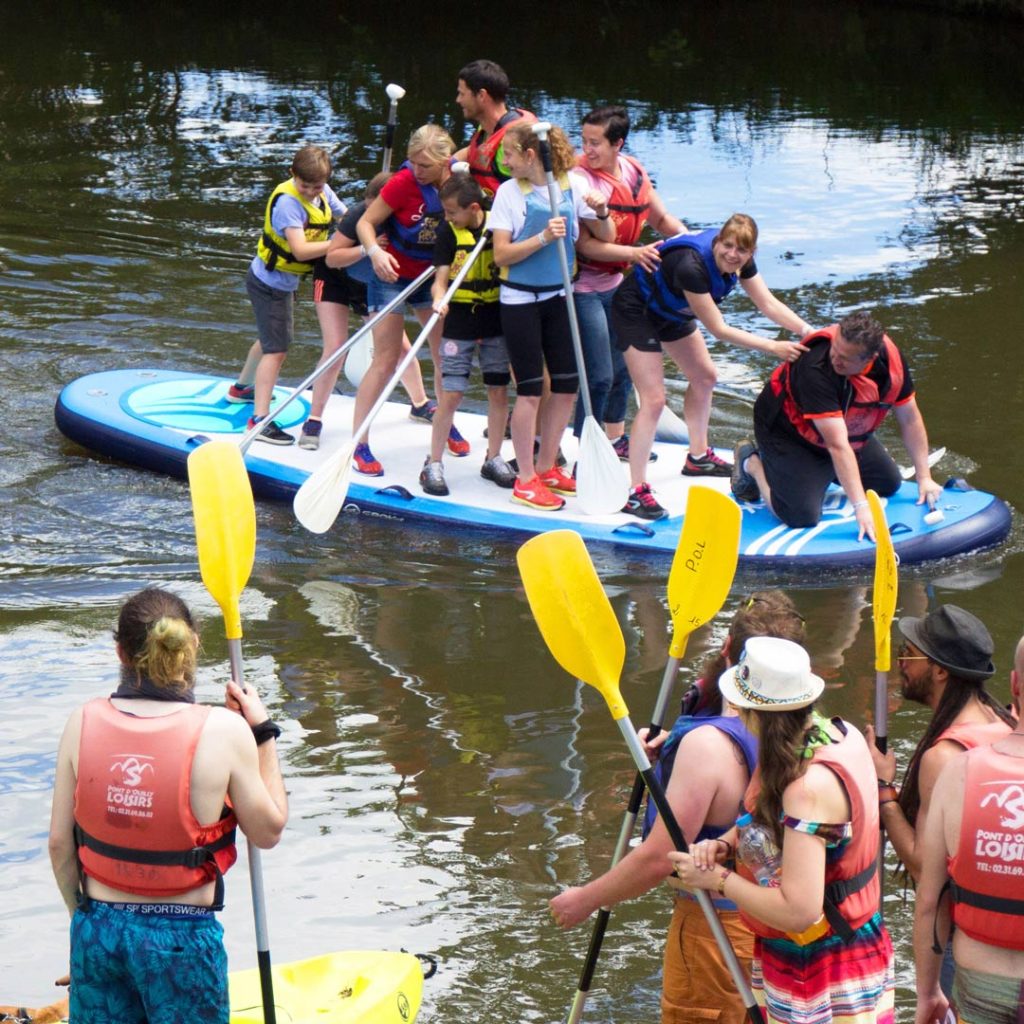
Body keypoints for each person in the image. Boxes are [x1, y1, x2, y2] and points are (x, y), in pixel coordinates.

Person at [549, 592, 805, 1024]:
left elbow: (657, 859)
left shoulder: (706, 747)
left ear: (726, 651)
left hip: (716, 932)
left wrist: (585, 900)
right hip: (780, 929)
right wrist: (675, 758)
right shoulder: (807, 731)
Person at [48, 588, 288, 1023]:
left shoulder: (81, 721)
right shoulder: (224, 731)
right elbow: (268, 831)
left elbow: (59, 846)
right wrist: (262, 733)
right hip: (180, 937)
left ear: (119, 650)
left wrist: (82, 928)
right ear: (193, 644)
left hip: (98, 929)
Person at [670, 637, 895, 1024]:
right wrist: (726, 844)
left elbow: (800, 911)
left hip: (822, 966)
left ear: (755, 711)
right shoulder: (841, 735)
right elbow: (771, 825)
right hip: (855, 946)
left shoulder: (806, 790)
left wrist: (718, 879)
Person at [612, 213, 812, 521]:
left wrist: (807, 331)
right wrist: (774, 347)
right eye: (727, 246)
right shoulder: (691, 267)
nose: (732, 255)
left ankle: (698, 457)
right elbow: (718, 329)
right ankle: (636, 490)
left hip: (671, 311)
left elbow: (768, 303)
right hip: (636, 311)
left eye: (741, 250)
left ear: (751, 253)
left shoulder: (742, 264)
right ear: (717, 241)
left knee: (705, 377)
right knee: (654, 399)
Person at [866, 604, 1014, 997]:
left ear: (940, 670)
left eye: (908, 653)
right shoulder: (1004, 726)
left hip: (959, 943)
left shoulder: (945, 756)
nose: (900, 663)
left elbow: (921, 863)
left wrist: (885, 792)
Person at [733, 310, 943, 541]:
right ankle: (752, 463)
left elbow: (910, 418)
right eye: (835, 349)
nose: (835, 359)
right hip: (787, 431)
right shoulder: (816, 367)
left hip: (841, 429)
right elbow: (837, 446)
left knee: (889, 483)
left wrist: (924, 477)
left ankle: (828, 473)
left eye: (845, 358)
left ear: (869, 359)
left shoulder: (890, 361)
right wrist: (860, 507)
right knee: (800, 515)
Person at [490, 123, 615, 511]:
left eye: (509, 154)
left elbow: (607, 235)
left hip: (559, 297)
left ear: (531, 156)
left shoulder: (569, 185)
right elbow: (501, 256)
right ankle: (525, 479)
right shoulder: (509, 194)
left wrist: (601, 210)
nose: (504, 161)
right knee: (529, 391)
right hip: (520, 302)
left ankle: (547, 466)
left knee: (566, 386)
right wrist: (543, 237)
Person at [912, 639, 1023, 1024]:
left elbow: (930, 899)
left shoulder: (957, 770)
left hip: (980, 986)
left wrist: (927, 993)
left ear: (1013, 685)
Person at [354, 124, 470, 476]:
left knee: (445, 356)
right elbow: (365, 224)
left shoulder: (456, 180)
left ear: (444, 162)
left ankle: (444, 423)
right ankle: (360, 443)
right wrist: (374, 252)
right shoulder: (403, 183)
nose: (417, 171)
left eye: (425, 166)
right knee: (386, 360)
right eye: (413, 163)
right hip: (391, 275)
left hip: (432, 278)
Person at [572, 105, 686, 455]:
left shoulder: (634, 171)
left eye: (595, 143)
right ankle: (584, 448)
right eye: (584, 141)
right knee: (599, 376)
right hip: (584, 287)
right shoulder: (580, 180)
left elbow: (661, 218)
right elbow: (586, 244)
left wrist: (690, 244)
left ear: (617, 144)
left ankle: (615, 438)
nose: (587, 150)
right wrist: (635, 255)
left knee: (623, 370)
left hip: (617, 286)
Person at [304, 172, 435, 451]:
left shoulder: (407, 218)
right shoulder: (358, 217)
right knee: (336, 347)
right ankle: (313, 421)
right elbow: (332, 257)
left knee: (399, 347)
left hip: (371, 284)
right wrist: (368, 249)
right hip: (335, 279)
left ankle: (420, 404)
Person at [227, 144, 346, 445]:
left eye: (316, 186)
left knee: (270, 338)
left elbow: (345, 217)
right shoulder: (288, 203)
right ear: (293, 174)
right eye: (304, 185)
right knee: (277, 349)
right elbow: (300, 250)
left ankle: (241, 389)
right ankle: (259, 420)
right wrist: (337, 245)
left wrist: (363, 231)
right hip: (269, 283)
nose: (309, 192)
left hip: (284, 283)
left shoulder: (323, 191)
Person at [420, 172, 515, 497]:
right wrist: (437, 299)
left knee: (498, 391)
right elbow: (440, 277)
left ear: (473, 207)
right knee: (452, 393)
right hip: (459, 320)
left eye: (452, 212)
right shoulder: (448, 232)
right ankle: (433, 463)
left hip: (494, 319)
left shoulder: (497, 226)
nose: (447, 218)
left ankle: (494, 457)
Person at [454, 59, 536, 197]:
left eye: (462, 94)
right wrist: (447, 163)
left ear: (481, 95)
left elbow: (535, 191)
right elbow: (473, 151)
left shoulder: (511, 141)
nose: (458, 100)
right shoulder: (488, 128)